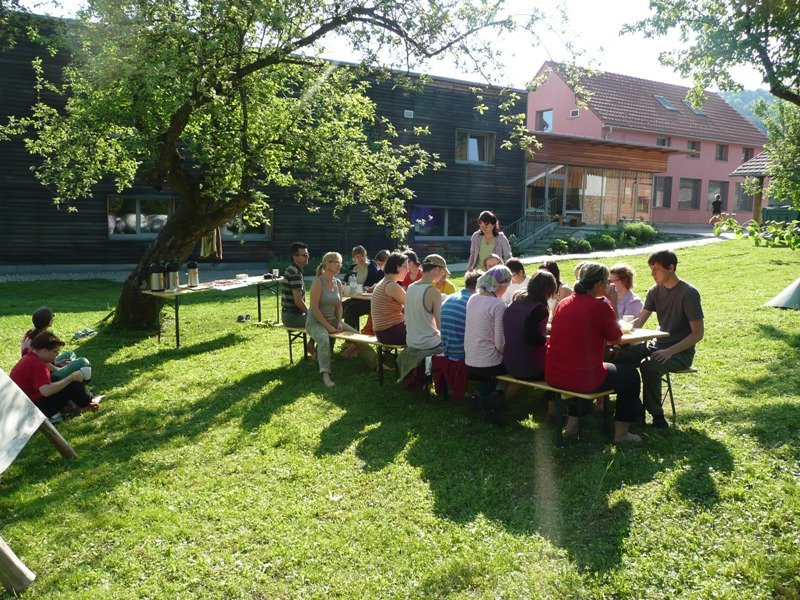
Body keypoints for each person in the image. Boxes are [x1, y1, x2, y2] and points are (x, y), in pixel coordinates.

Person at [546, 262, 643, 443]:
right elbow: (614, 338)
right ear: (599, 284)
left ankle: (572, 425)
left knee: (582, 368)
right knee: (631, 376)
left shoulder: (564, 303)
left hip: (555, 374)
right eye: (607, 281)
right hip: (581, 377)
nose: (609, 285)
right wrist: (612, 301)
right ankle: (621, 434)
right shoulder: (599, 307)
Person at [613, 250, 704, 428]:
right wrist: (620, 335)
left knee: (649, 364)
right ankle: (634, 408)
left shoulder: (689, 293)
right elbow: (639, 321)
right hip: (656, 345)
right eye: (651, 269)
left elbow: (697, 334)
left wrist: (670, 351)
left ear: (671, 267)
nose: (652, 273)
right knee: (618, 355)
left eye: (656, 269)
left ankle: (657, 415)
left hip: (680, 352)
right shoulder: (654, 291)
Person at [306, 252, 377, 387]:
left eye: (340, 262)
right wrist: (328, 327)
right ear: (327, 264)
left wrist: (338, 322)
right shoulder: (318, 282)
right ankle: (326, 374)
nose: (340, 265)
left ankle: (375, 363)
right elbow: (314, 308)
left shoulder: (337, 282)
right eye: (337, 262)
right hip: (315, 322)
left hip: (333, 321)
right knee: (323, 339)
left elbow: (339, 306)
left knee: (358, 336)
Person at [10, 331, 103, 418]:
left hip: (24, 405)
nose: (56, 354)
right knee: (73, 384)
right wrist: (71, 377)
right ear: (44, 350)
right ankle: (88, 401)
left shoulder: (30, 357)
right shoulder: (37, 364)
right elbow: (46, 391)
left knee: (59, 380)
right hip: (33, 410)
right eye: (55, 352)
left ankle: (75, 404)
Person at [464, 266, 513, 423]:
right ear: (500, 285)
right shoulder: (498, 305)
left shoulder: (472, 299)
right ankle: (494, 396)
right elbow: (500, 344)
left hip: (470, 359)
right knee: (517, 367)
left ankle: (483, 393)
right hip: (489, 363)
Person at [397, 254, 448, 384]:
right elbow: (440, 325)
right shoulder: (433, 292)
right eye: (442, 272)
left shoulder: (411, 287)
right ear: (436, 269)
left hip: (411, 340)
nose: (442, 275)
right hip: (427, 343)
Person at [502, 269, 556, 380]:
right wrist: (549, 339)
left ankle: (501, 393)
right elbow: (531, 338)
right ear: (548, 290)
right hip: (529, 368)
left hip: (509, 362)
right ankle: (551, 396)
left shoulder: (516, 301)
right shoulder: (538, 308)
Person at [20, 306, 90, 380]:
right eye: (52, 316)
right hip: (41, 372)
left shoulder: (30, 332)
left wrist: (57, 362)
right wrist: (59, 369)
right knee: (83, 361)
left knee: (70, 354)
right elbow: (42, 363)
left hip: (43, 365)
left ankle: (71, 367)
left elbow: (44, 357)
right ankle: (74, 373)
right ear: (49, 322)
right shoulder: (42, 338)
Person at [370, 252, 408, 345]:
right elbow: (411, 305)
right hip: (390, 332)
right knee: (426, 333)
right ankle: (426, 359)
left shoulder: (383, 282)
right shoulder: (391, 285)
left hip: (384, 332)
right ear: (397, 267)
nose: (407, 271)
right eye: (406, 267)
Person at [342, 245, 383, 331]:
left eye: (363, 256)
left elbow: (377, 284)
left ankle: (353, 340)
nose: (361, 258)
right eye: (358, 256)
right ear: (354, 258)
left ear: (366, 255)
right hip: (356, 298)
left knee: (350, 309)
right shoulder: (352, 268)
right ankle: (337, 335)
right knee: (340, 307)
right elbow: (345, 282)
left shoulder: (372, 267)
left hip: (368, 301)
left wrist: (367, 288)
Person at [281, 242, 311, 328]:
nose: (307, 257)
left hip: (292, 315)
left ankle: (312, 342)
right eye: (304, 255)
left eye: (307, 254)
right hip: (292, 317)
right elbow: (298, 301)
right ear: (295, 257)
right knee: (321, 321)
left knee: (322, 320)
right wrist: (311, 313)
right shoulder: (295, 273)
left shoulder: (294, 269)